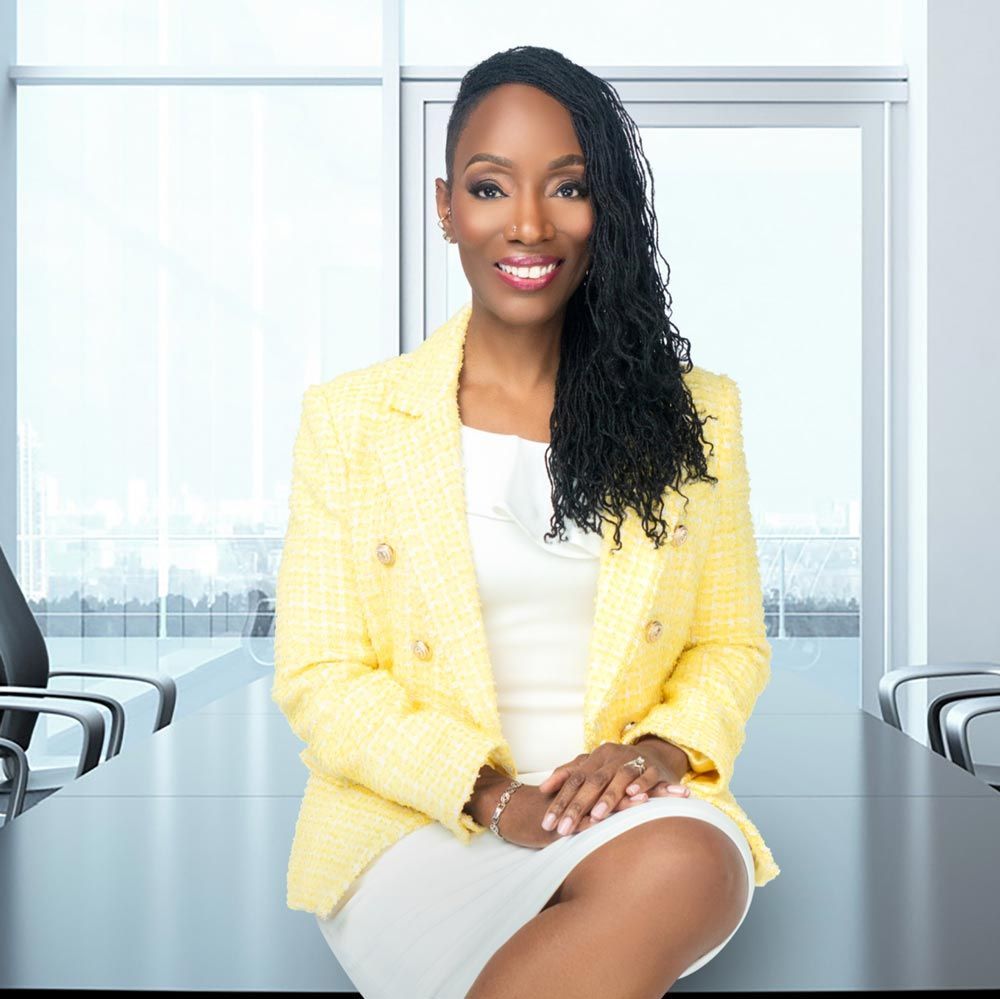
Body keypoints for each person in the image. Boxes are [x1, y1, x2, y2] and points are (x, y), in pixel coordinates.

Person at [272, 44, 780, 999]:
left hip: (626, 822)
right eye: (491, 186)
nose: (531, 223)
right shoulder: (350, 420)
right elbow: (319, 675)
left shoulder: (697, 413)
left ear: (607, 210)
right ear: (446, 207)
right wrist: (492, 795)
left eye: (569, 186)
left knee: (693, 864)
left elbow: (729, 644)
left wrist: (654, 754)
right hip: (418, 823)